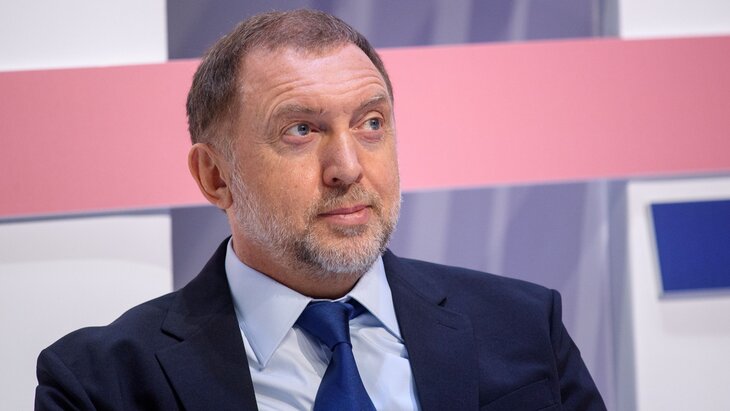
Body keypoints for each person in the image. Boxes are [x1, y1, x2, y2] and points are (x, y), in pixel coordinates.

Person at [35, 9, 606, 411]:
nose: (348, 168)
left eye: (371, 123)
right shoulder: (99, 384)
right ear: (215, 176)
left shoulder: (524, 326)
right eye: (301, 130)